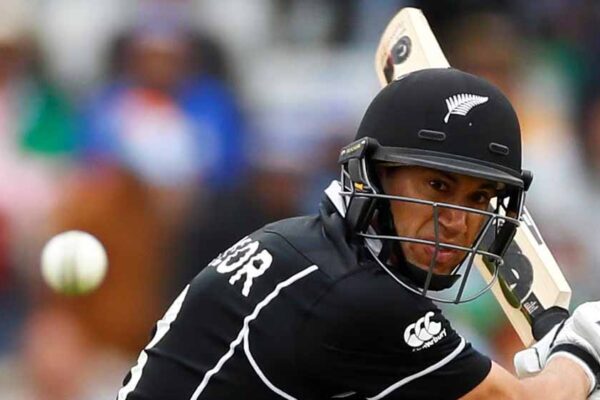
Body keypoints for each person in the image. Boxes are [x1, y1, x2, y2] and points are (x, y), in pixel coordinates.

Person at [116, 68, 600, 399]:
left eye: (478, 198)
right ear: (372, 176)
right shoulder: (356, 296)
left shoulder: (301, 247)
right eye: (437, 186)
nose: (456, 221)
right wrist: (581, 353)